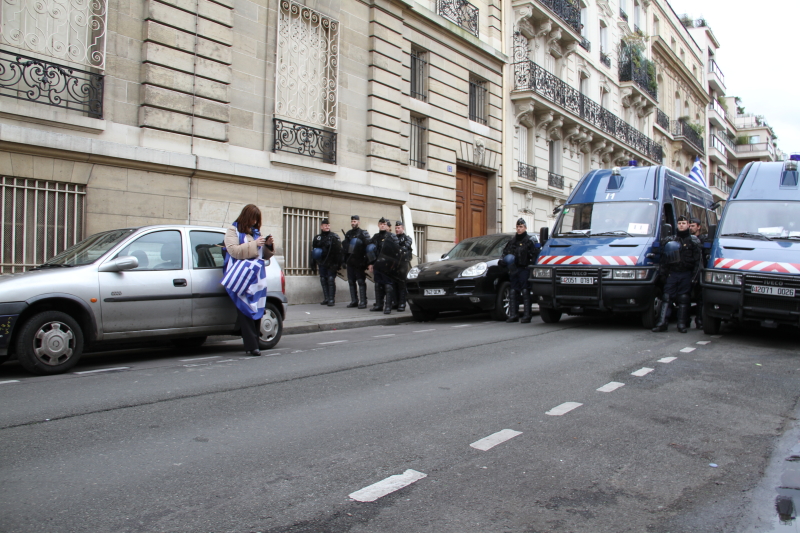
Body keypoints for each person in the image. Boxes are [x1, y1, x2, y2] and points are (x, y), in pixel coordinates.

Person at [223, 204, 274, 357]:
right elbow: (233, 251)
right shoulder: (232, 231)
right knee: (245, 311)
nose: (254, 222)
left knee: (257, 308)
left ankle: (255, 343)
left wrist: (268, 245)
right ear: (246, 216)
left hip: (256, 277)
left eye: (256, 220)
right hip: (241, 277)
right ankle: (251, 346)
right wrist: (254, 244)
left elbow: (262, 254)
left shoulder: (255, 232)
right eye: (252, 218)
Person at [652, 215, 702, 333]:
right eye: (679, 223)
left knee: (684, 298)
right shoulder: (671, 240)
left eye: (684, 223)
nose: (681, 225)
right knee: (666, 297)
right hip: (673, 273)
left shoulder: (694, 241)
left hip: (686, 273)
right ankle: (662, 323)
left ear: (688, 225)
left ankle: (682, 324)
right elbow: (664, 260)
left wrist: (695, 277)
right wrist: (664, 275)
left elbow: (698, 261)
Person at [501, 218, 538, 323]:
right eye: (517, 227)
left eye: (521, 227)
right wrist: (503, 261)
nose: (519, 229)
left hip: (524, 269)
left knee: (525, 291)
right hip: (514, 269)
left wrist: (531, 266)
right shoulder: (512, 241)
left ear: (525, 228)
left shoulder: (529, 241)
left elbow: (534, 255)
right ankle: (514, 314)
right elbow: (505, 253)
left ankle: (527, 315)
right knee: (513, 291)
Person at [368, 217, 400, 314]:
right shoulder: (375, 237)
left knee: (388, 285)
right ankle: (379, 305)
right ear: (378, 225)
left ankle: (388, 306)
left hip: (388, 265)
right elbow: (370, 251)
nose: (382, 225)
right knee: (378, 284)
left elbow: (397, 252)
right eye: (381, 224)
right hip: (377, 264)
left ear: (387, 226)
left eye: (384, 224)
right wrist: (370, 263)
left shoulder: (392, 236)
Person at [311, 218, 343, 306]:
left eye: (328, 225)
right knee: (323, 279)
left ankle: (331, 299)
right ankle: (326, 298)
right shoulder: (317, 238)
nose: (327, 227)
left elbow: (339, 251)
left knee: (330, 279)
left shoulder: (334, 236)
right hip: (322, 262)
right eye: (325, 225)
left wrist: (339, 264)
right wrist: (313, 263)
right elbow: (314, 250)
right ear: (321, 227)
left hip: (332, 262)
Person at [343, 215, 371, 309]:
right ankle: (354, 301)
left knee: (360, 281)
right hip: (350, 261)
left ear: (358, 222)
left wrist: (367, 261)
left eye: (355, 221)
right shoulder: (348, 233)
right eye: (352, 221)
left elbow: (368, 247)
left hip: (359, 261)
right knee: (351, 281)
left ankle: (363, 301)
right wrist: (344, 260)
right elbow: (345, 249)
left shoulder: (363, 233)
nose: (353, 223)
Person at [689, 217, 709, 329]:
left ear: (698, 227)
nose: (691, 228)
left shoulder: (703, 240)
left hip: (699, 271)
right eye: (690, 225)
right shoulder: (686, 239)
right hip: (689, 271)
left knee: (700, 298)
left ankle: (699, 320)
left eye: (693, 226)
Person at [393, 220, 413, 312]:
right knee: (394, 283)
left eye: (399, 228)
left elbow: (405, 247)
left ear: (403, 228)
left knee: (401, 284)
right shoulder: (393, 238)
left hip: (403, 263)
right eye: (396, 228)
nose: (397, 229)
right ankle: (395, 302)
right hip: (394, 263)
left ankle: (402, 303)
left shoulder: (407, 238)